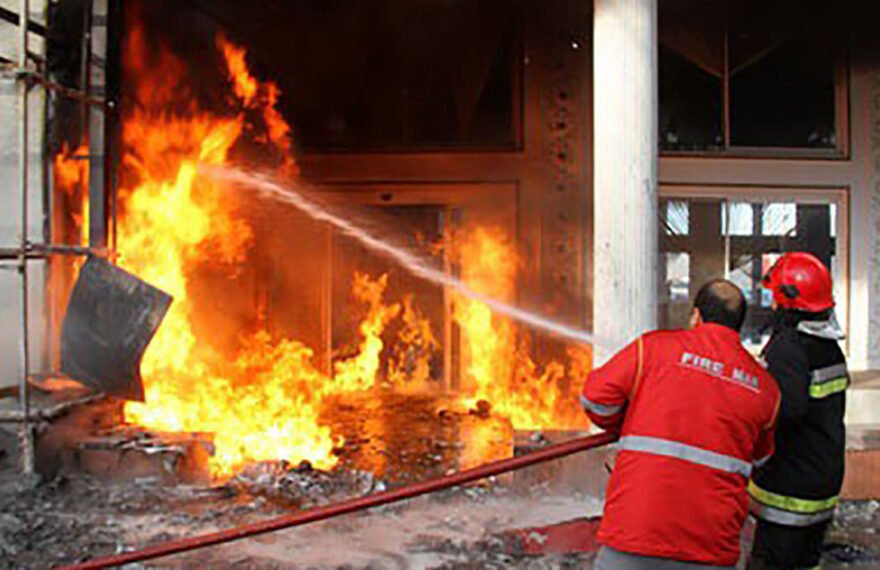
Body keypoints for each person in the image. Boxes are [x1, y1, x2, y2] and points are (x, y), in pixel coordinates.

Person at [583, 279, 780, 569]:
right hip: (711, 544)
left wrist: (625, 422)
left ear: (697, 315)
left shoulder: (651, 348)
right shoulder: (765, 388)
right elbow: (760, 456)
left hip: (636, 532)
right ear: (738, 324)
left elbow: (595, 399)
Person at [747, 252, 849, 570]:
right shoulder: (827, 347)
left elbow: (783, 409)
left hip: (789, 489)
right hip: (822, 479)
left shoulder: (789, 347)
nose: (772, 304)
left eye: (775, 296)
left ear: (787, 302)